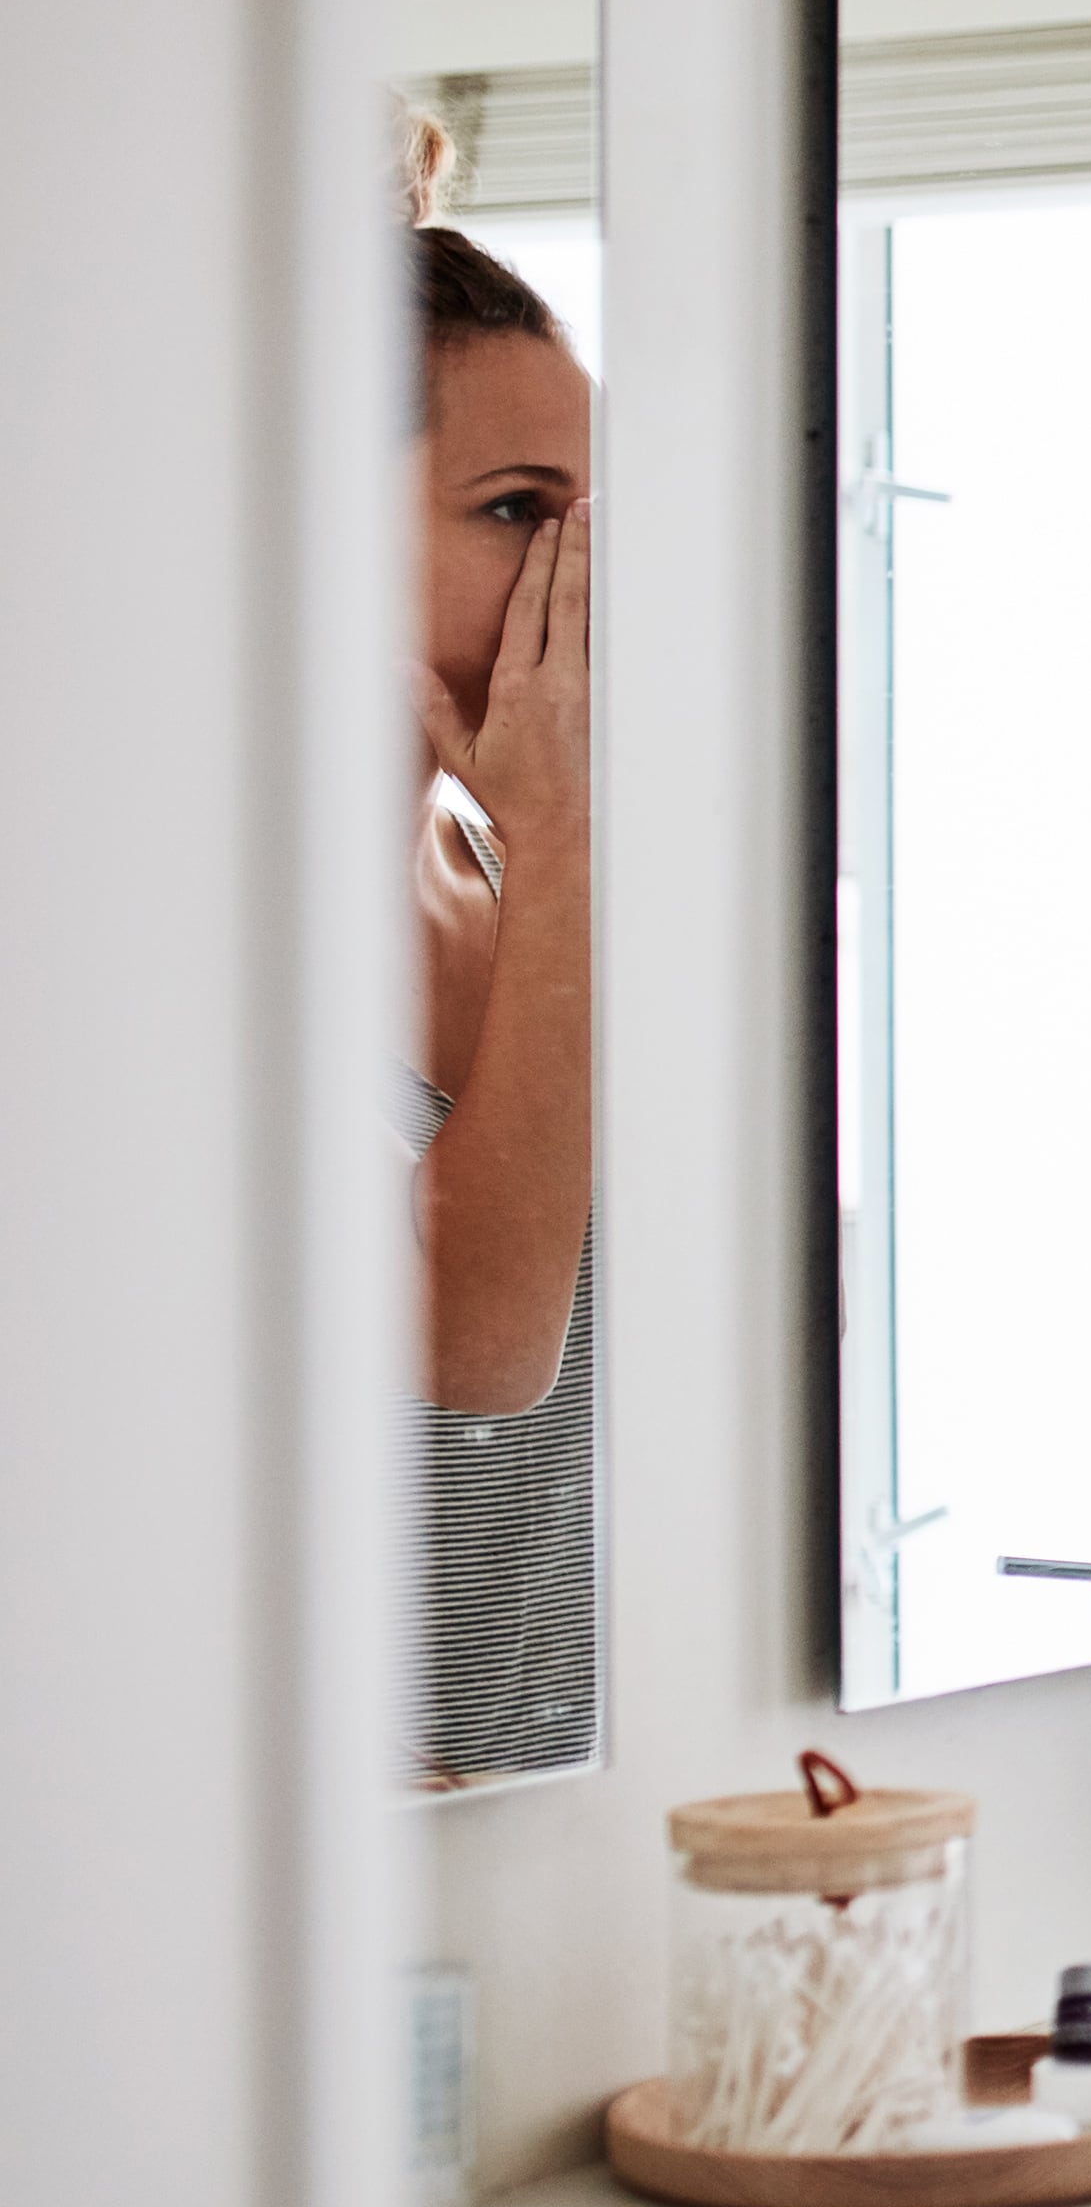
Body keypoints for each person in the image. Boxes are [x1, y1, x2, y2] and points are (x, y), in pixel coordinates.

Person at [399, 111, 597, 1786]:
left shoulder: (498, 875)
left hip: (539, 1839)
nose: (582, 571)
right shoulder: (188, 926)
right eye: (520, 507)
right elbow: (479, 1351)